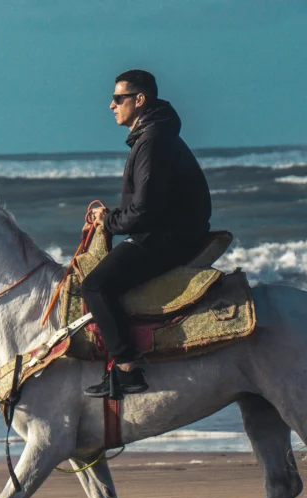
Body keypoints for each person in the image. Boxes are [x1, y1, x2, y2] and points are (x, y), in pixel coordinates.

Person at [81, 69, 212, 399]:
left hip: (167, 238)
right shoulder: (153, 136)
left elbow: (144, 211)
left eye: (118, 98)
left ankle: (127, 369)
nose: (111, 105)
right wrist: (110, 218)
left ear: (139, 100)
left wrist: (108, 221)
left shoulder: (152, 142)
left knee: (95, 285)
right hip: (171, 231)